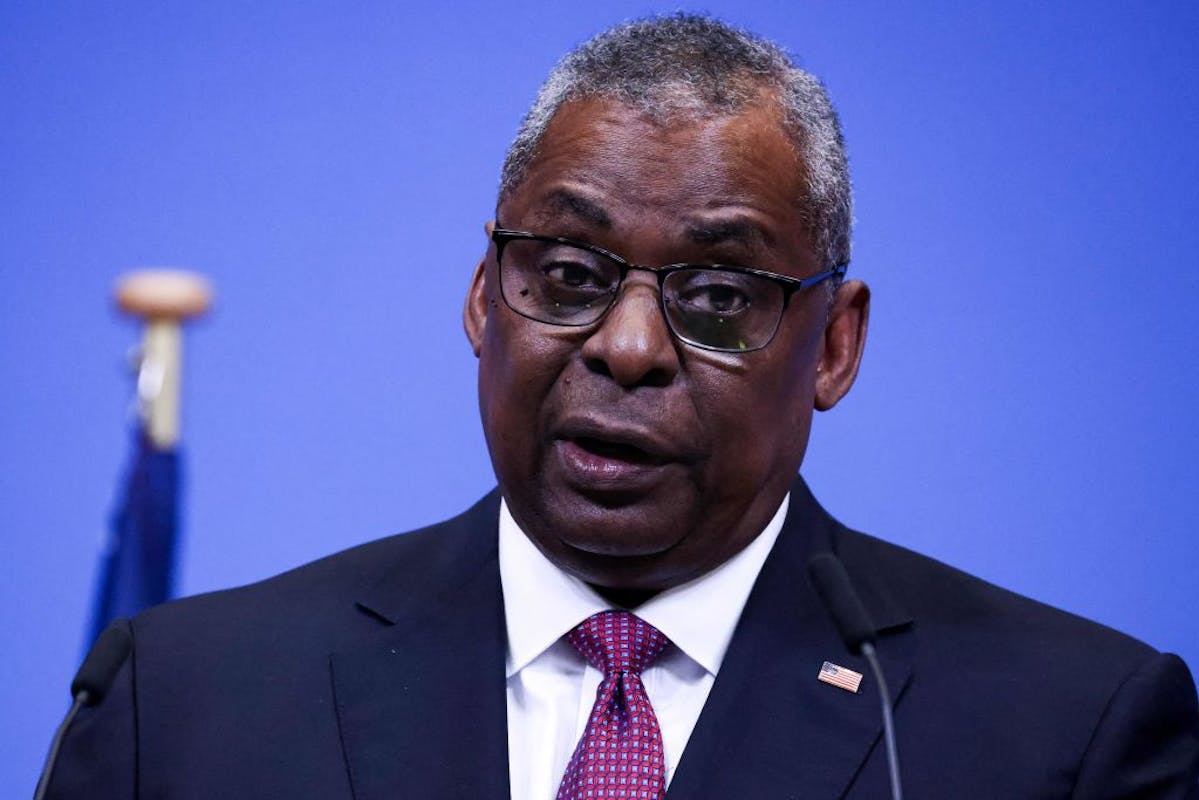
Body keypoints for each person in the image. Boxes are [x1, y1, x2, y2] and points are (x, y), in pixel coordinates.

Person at [45, 14, 1198, 799]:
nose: (628, 345)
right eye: (567, 274)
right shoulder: (184, 705)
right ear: (481, 297)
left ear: (835, 345)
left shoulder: (1064, 735)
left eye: (717, 295)